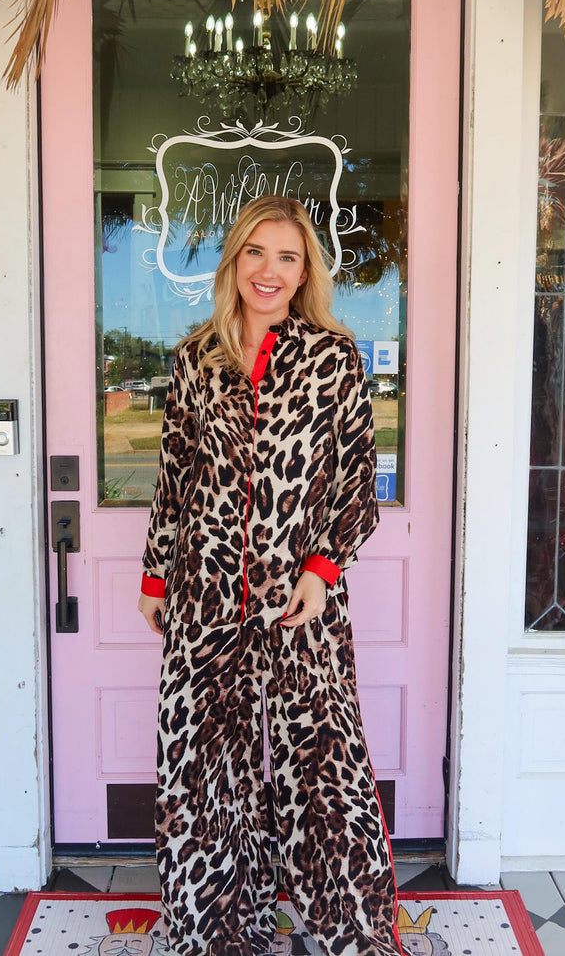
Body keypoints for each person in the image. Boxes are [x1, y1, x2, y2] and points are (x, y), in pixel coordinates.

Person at [137, 196, 403, 956]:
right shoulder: (196, 359)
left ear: (305, 270)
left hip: (301, 599)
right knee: (204, 766)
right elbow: (175, 479)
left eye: (287, 256)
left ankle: (349, 925)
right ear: (234, 262)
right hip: (206, 595)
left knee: (324, 765)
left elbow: (357, 478)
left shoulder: (333, 358)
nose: (269, 270)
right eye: (256, 252)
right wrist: (157, 577)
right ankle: (216, 926)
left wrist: (322, 570)